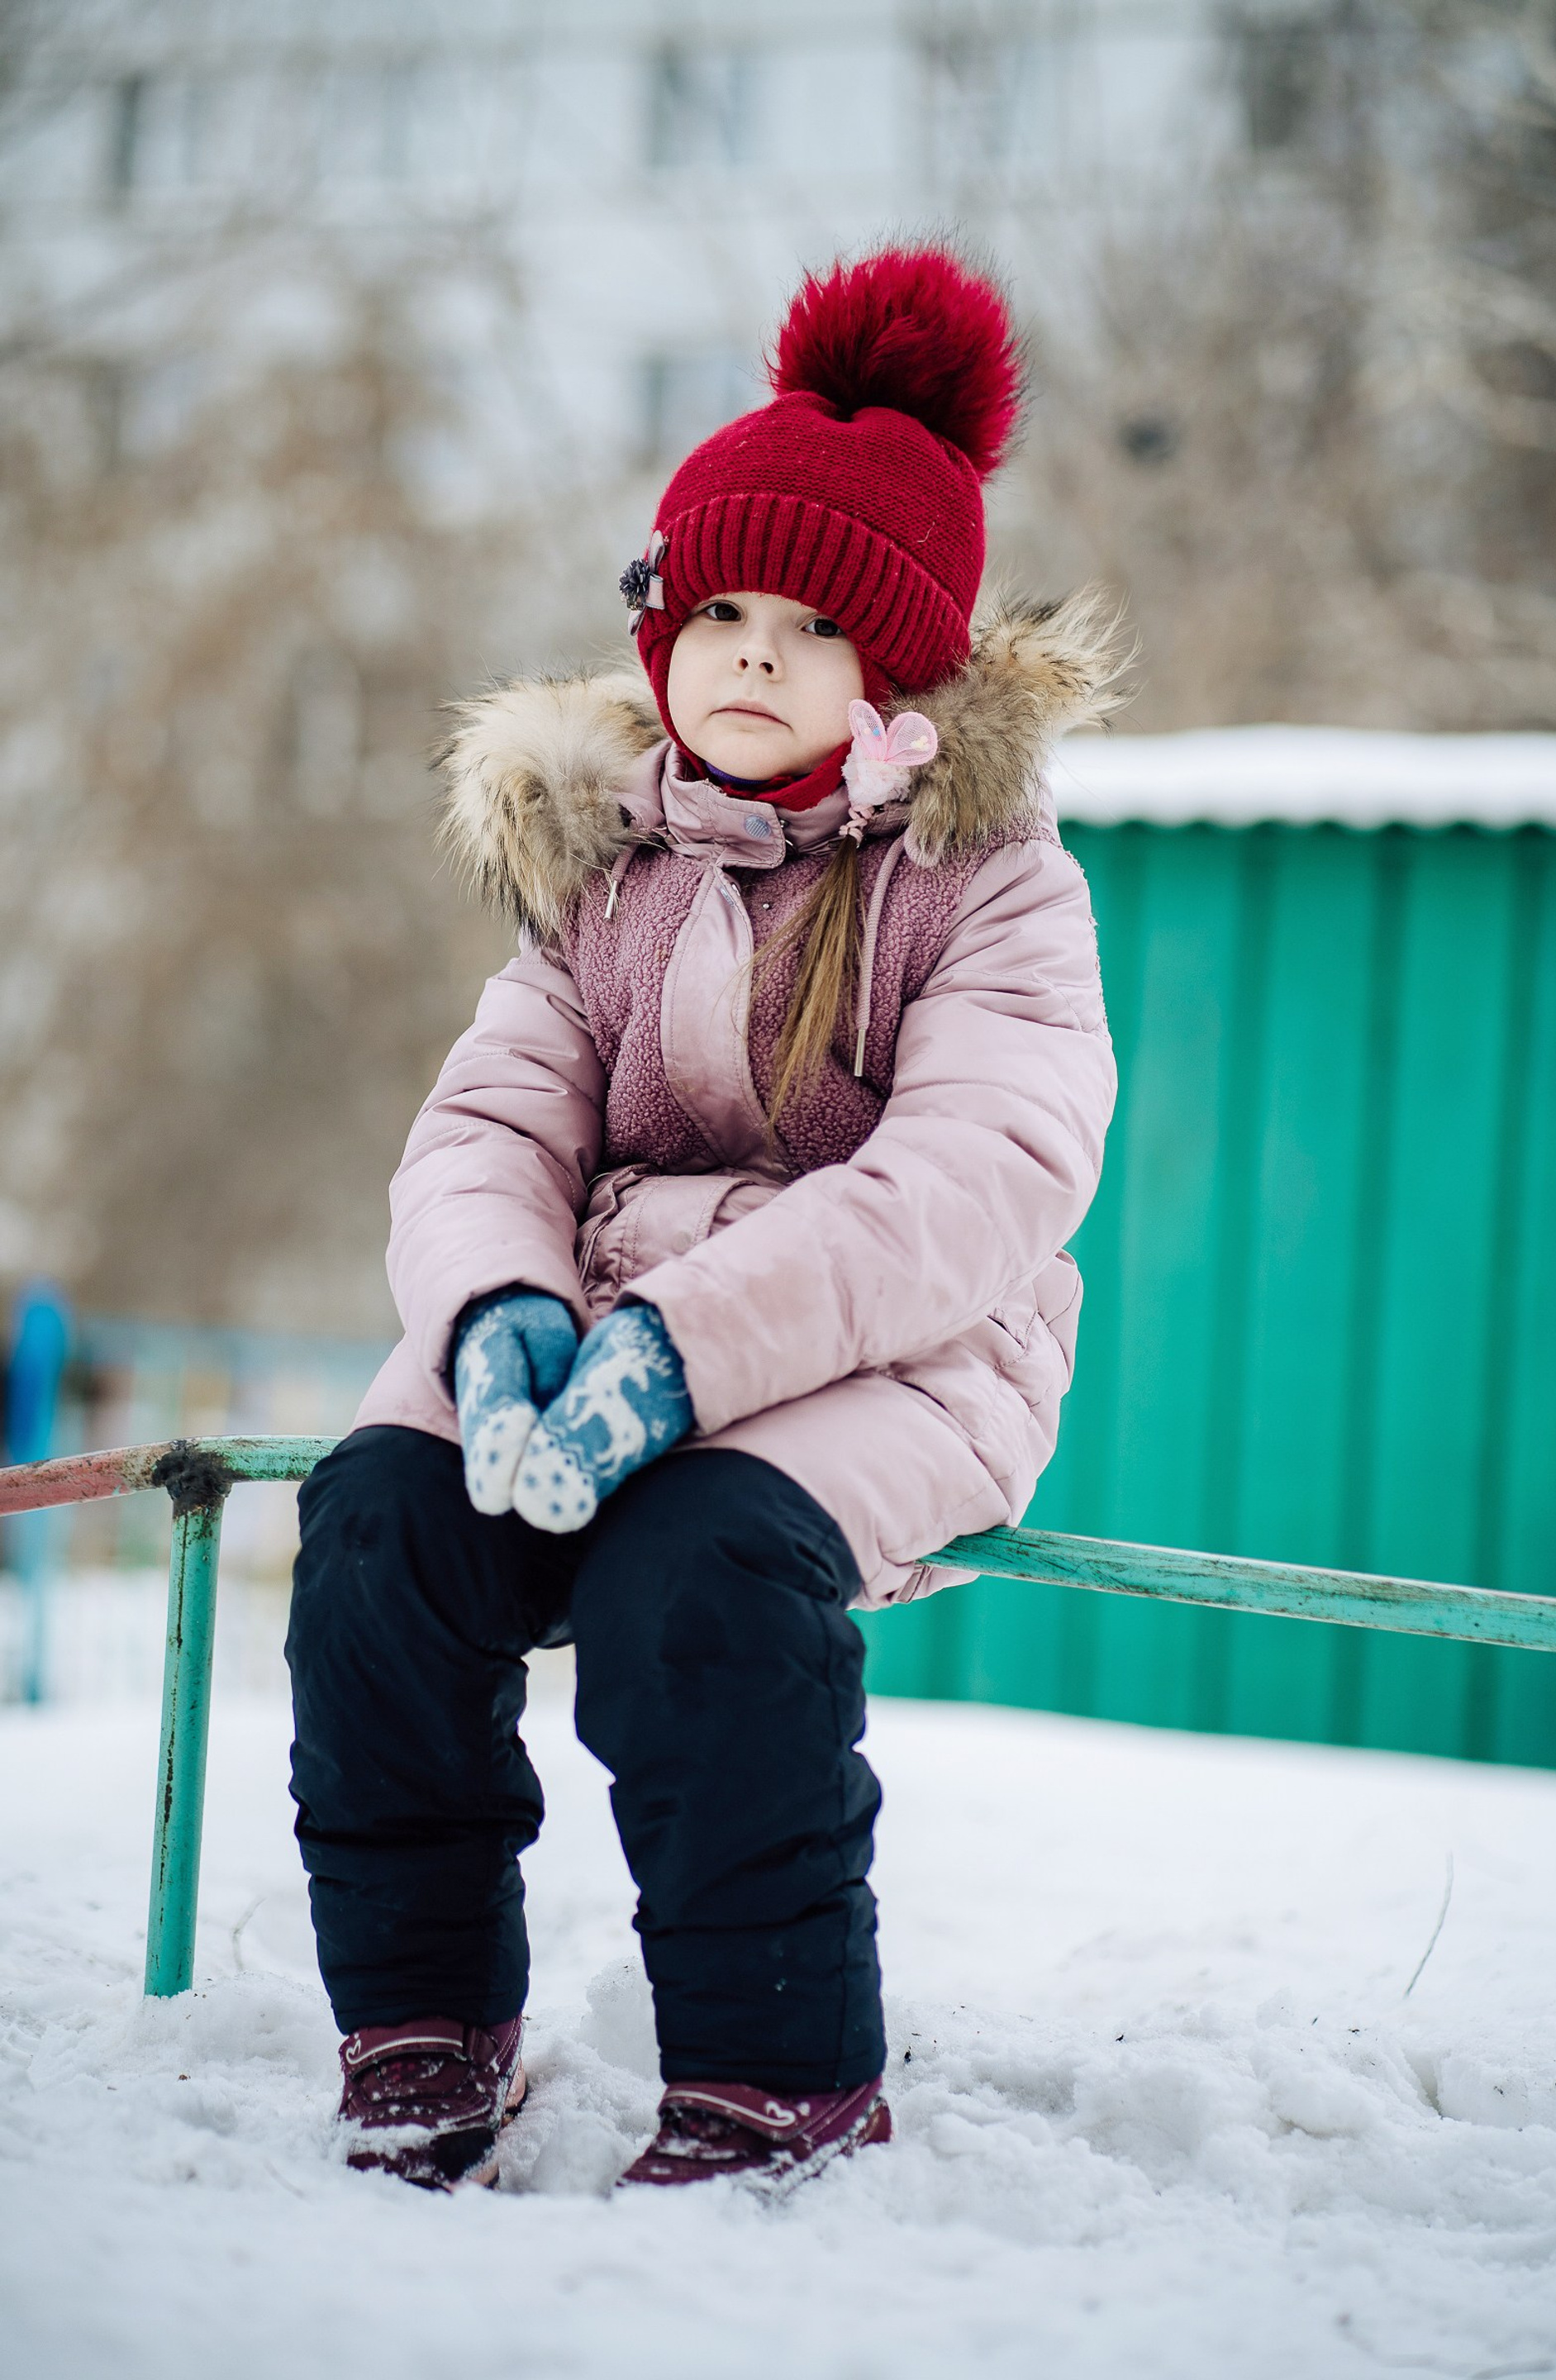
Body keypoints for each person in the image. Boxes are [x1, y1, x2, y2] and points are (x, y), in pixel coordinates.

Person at [285, 246, 1122, 2195]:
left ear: (902, 673)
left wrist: (678, 1355)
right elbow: (491, 1122)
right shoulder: (609, 872)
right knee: (379, 1530)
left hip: (899, 1348)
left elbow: (978, 1181)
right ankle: (421, 2024)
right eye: (719, 606)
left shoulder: (994, 887)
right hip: (576, 1341)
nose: (751, 652)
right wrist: (503, 1317)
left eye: (814, 625)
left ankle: (775, 2068)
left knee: (701, 1581)